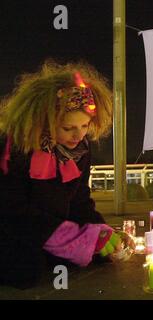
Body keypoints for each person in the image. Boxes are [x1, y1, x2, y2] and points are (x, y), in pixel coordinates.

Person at [0, 61, 132, 289]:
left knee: (99, 253)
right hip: (13, 224)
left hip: (52, 228)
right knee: (26, 269)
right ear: (44, 119)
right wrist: (75, 239)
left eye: (84, 126)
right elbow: (13, 210)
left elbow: (80, 201)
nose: (78, 136)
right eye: (68, 128)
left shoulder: (79, 150)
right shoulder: (16, 148)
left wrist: (103, 232)